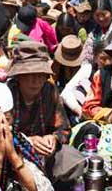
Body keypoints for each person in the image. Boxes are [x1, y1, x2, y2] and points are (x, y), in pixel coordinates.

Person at [7, 41, 76, 180]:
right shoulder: (7, 93)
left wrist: (53, 138)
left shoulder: (50, 90)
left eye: (41, 75)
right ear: (18, 76)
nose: (36, 80)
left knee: (73, 158)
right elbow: (1, 134)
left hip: (46, 153)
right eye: (29, 74)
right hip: (15, 155)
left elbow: (64, 128)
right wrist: (27, 141)